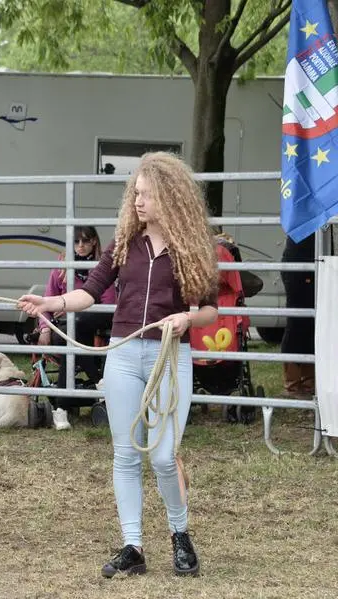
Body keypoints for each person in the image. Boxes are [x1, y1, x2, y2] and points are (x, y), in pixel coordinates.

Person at [18, 152, 219, 578]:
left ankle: (180, 535)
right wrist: (50, 303)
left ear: (171, 195)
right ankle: (133, 545)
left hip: (169, 356)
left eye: (146, 194)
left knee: (164, 457)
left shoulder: (192, 248)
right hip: (124, 354)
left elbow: (210, 312)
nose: (138, 201)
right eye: (136, 193)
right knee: (126, 454)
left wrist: (186, 318)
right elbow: (89, 292)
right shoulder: (125, 244)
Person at [33, 226, 116, 387]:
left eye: (85, 240)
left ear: (94, 241)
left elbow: (109, 302)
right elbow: (46, 302)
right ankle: (97, 382)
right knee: (72, 331)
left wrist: (69, 306)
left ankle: (64, 403)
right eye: (76, 241)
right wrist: (45, 329)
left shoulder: (103, 266)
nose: (81, 245)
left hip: (95, 319)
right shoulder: (60, 268)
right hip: (66, 326)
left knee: (74, 325)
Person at [280, 233, 315, 399]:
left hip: (315, 263)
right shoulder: (301, 212)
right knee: (296, 323)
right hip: (299, 264)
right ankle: (292, 384)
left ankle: (309, 382)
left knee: (313, 324)